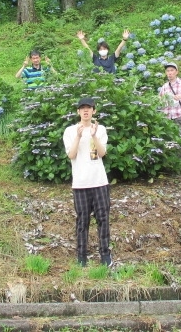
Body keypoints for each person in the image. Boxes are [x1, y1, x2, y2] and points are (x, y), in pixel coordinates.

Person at [63, 97, 112, 267]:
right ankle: (81, 256)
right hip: (80, 184)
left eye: (89, 108)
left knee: (103, 219)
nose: (85, 111)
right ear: (78, 111)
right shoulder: (70, 131)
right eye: (82, 108)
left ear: (94, 111)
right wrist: (78, 136)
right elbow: (71, 155)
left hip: (99, 182)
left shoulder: (101, 129)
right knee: (82, 221)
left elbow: (102, 153)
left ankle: (105, 255)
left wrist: (93, 136)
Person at [158, 62, 181, 162]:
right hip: (167, 116)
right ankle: (175, 160)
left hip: (178, 114)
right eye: (168, 71)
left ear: (176, 72)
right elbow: (159, 99)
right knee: (170, 137)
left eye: (172, 70)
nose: (170, 73)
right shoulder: (165, 86)